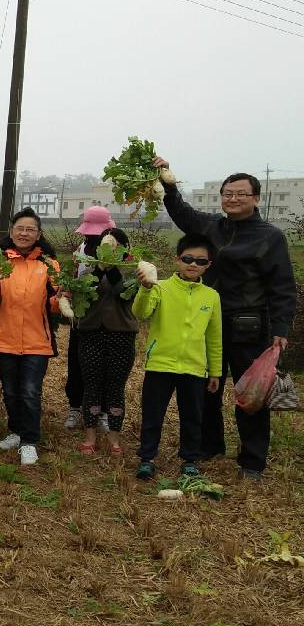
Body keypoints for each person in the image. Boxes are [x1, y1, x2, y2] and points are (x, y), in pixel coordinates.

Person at [156, 158, 296, 479]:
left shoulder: (270, 236)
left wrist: (280, 326)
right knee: (207, 388)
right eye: (227, 193)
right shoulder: (212, 227)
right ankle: (209, 445)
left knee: (251, 395)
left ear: (256, 198)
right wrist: (168, 184)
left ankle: (252, 460)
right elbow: (182, 214)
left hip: (249, 325)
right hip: (208, 322)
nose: (233, 199)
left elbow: (282, 285)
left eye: (241, 194)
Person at [132, 233, 222, 480]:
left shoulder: (211, 297)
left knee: (192, 416)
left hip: (194, 368)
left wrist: (214, 371)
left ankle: (190, 459)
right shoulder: (160, 287)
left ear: (208, 265)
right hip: (160, 364)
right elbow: (141, 312)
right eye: (188, 258)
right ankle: (147, 457)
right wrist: (145, 288)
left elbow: (214, 337)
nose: (193, 264)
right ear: (177, 260)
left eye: (201, 261)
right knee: (153, 414)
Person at [0, 208, 62, 466]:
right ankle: (16, 431)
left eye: (30, 229)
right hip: (4, 336)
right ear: (12, 232)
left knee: (30, 391)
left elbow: (53, 304)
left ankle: (29, 441)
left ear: (39, 235)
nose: (24, 233)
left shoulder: (49, 265)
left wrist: (60, 300)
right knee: (10, 391)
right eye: (20, 228)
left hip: (36, 340)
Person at [73, 227, 139, 457]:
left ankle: (114, 438)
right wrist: (100, 269)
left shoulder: (133, 272)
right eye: (105, 246)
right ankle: (90, 436)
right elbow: (83, 292)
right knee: (91, 385)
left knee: (115, 387)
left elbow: (125, 294)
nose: (109, 250)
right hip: (91, 334)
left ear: (125, 249)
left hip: (121, 335)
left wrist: (111, 271)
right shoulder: (87, 270)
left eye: (114, 246)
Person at [64, 206, 115, 431]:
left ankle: (102, 411)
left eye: (97, 234)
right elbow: (74, 278)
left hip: (107, 318)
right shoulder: (81, 249)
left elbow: (121, 285)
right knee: (76, 362)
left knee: (103, 367)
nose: (93, 237)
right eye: (90, 234)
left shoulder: (120, 251)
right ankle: (75, 407)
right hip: (82, 316)